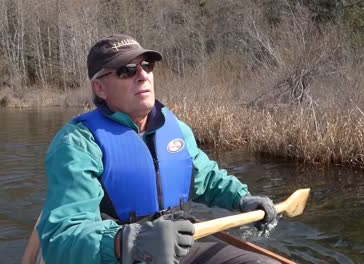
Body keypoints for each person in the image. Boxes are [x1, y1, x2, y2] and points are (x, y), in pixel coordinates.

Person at [36, 34, 280, 264]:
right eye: (127, 71)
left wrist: (243, 199)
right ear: (99, 87)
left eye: (147, 65)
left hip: (181, 245)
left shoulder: (175, 128)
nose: (142, 75)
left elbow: (205, 177)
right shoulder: (78, 143)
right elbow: (61, 239)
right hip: (121, 255)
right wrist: (129, 241)